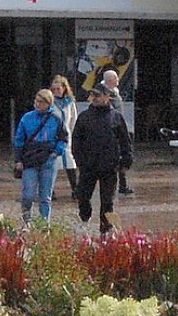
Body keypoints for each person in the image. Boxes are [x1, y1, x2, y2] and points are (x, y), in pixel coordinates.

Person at [71, 78, 132, 234]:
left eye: (98, 95)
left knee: (107, 202)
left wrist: (126, 160)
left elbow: (125, 140)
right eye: (93, 95)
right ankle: (85, 217)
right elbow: (76, 141)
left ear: (107, 97)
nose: (95, 98)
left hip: (109, 166)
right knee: (83, 196)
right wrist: (79, 161)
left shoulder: (116, 117)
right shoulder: (84, 117)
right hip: (88, 166)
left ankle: (105, 230)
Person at [12, 88, 68, 224]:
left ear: (48, 103)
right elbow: (19, 139)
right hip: (30, 159)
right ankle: (27, 220)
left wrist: (56, 152)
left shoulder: (56, 118)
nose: (37, 104)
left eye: (41, 102)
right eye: (36, 101)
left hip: (48, 159)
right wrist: (18, 159)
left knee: (45, 196)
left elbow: (63, 138)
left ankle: (44, 225)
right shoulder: (27, 118)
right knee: (28, 195)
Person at [101, 69, 135, 195]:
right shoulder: (104, 93)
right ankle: (112, 187)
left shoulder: (115, 92)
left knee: (122, 157)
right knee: (112, 159)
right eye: (116, 78)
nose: (118, 80)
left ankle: (122, 185)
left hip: (119, 128)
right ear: (110, 80)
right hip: (111, 131)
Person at [48, 74, 79, 196]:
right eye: (54, 89)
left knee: (70, 162)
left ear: (64, 88)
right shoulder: (50, 102)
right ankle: (50, 190)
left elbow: (73, 120)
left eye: (58, 89)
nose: (56, 91)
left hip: (67, 136)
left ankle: (75, 189)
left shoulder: (69, 103)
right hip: (52, 136)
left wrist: (73, 134)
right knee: (51, 162)